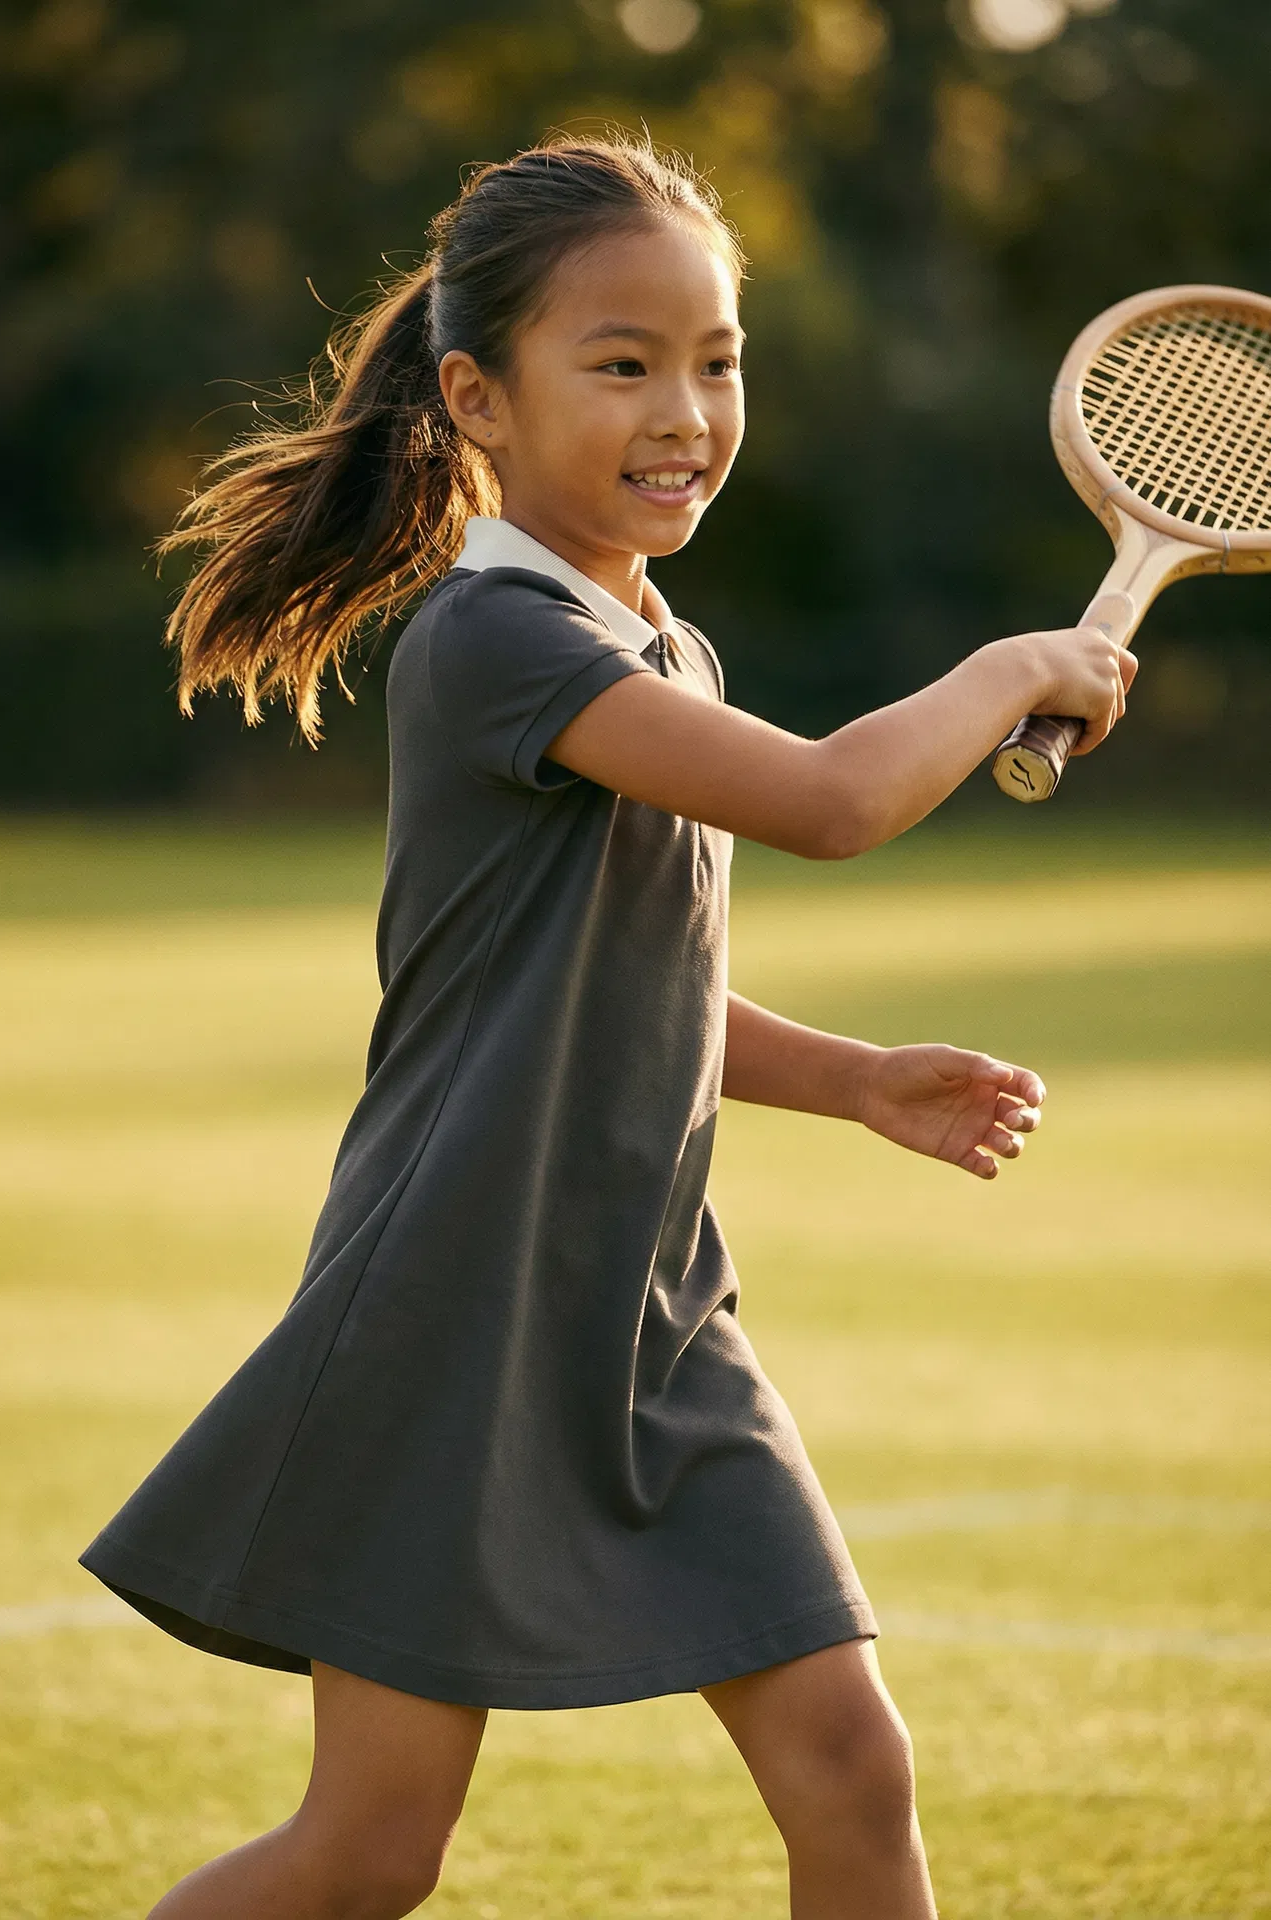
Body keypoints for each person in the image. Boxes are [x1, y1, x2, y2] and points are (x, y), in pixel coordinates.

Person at [80, 136, 1134, 1920]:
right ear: (476, 397)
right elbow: (829, 805)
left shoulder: (662, 649)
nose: (686, 408)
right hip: (457, 1310)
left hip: (652, 1309)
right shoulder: (496, 640)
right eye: (623, 361)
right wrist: (1006, 670)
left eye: (717, 359)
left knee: (850, 1769)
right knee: (369, 1854)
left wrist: (852, 1078)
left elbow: (638, 983)